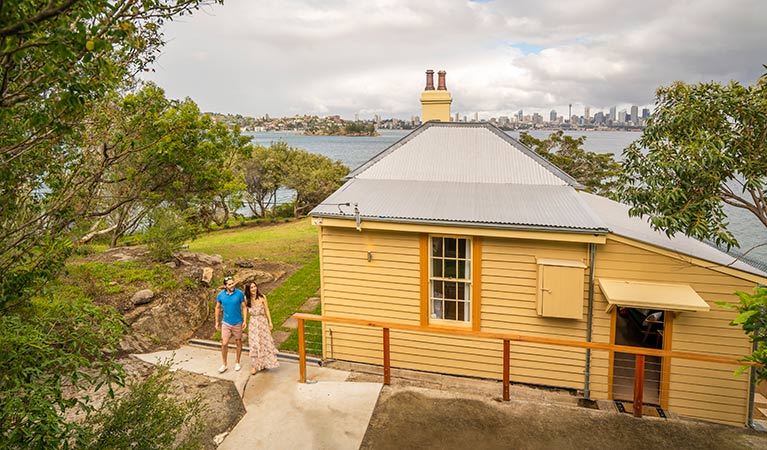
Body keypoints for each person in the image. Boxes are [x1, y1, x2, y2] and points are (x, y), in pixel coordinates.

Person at [244, 282, 279, 375]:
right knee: (254, 344)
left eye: (254, 286)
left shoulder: (263, 297)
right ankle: (254, 366)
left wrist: (270, 321)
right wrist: (244, 321)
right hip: (253, 323)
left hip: (262, 322)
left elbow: (267, 309)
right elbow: (245, 310)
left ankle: (265, 363)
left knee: (264, 343)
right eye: (251, 287)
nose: (254, 289)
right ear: (248, 289)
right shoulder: (247, 299)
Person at [215, 276, 248, 373]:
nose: (232, 285)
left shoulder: (239, 294)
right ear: (225, 286)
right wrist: (217, 321)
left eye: (232, 283)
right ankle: (224, 364)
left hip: (237, 322)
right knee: (224, 343)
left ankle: (237, 362)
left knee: (238, 342)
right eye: (229, 284)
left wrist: (245, 320)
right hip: (226, 322)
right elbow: (217, 308)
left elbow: (244, 307)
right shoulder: (220, 295)